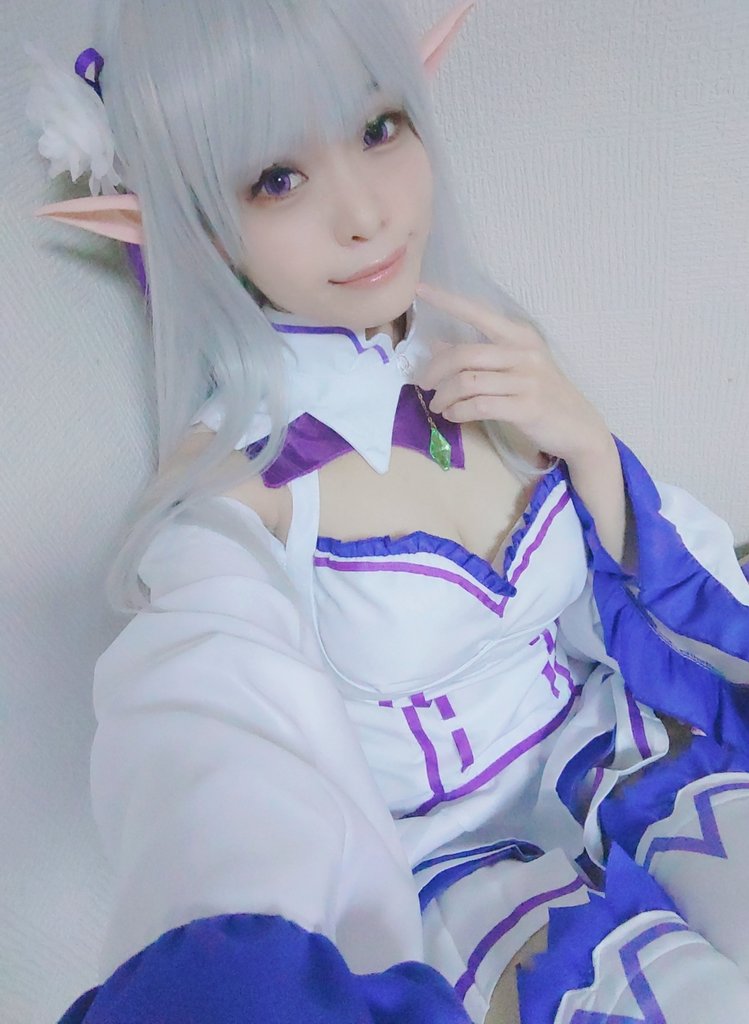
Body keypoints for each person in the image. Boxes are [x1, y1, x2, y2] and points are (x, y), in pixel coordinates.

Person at [26, 2, 749, 1022]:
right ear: (181, 221)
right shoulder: (234, 494)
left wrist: (588, 444)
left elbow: (642, 601)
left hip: (623, 746)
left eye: (376, 127)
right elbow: (204, 739)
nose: (365, 212)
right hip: (457, 869)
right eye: (276, 178)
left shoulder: (480, 348)